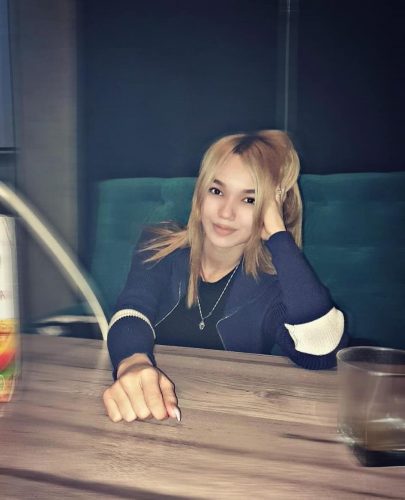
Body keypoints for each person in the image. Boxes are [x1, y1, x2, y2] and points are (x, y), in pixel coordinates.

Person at [103, 130, 348, 423]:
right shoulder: (158, 245)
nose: (226, 212)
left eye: (249, 199)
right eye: (217, 191)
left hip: (232, 421)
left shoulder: (273, 285)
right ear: (200, 194)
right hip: (148, 416)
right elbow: (131, 310)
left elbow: (321, 350)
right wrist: (132, 363)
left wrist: (279, 236)